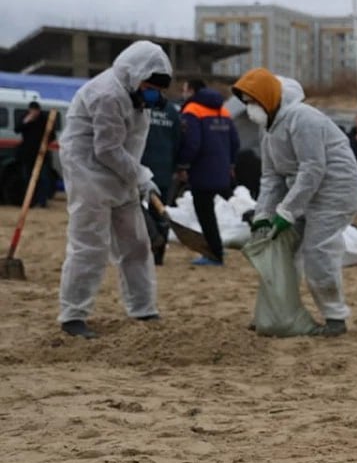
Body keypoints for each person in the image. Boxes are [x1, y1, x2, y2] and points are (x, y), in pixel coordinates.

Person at [57, 40, 173, 340]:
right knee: (90, 245)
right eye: (151, 87)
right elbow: (106, 149)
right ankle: (73, 316)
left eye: (159, 90)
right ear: (136, 75)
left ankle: (143, 308)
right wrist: (141, 176)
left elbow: (130, 145)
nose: (155, 95)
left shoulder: (140, 97)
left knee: (136, 242)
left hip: (123, 173)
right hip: (88, 171)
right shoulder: (107, 94)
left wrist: (139, 178)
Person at [232, 68, 357, 337]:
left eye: (253, 102)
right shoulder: (267, 129)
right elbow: (270, 177)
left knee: (317, 252)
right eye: (246, 104)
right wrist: (263, 216)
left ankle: (335, 318)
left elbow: (313, 168)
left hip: (333, 192)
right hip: (302, 191)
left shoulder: (303, 119)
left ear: (267, 97)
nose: (250, 109)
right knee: (279, 250)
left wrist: (287, 211)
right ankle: (277, 314)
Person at [178, 85, 239, 266]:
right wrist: (231, 164)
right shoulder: (223, 110)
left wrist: (182, 164)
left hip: (201, 171)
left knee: (205, 213)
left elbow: (192, 142)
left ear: (191, 91)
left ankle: (215, 253)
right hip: (222, 170)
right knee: (237, 204)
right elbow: (234, 141)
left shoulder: (192, 110)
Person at [139, 92, 181, 265]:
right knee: (160, 210)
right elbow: (178, 139)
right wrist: (176, 165)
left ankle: (154, 237)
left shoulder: (140, 107)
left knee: (133, 206)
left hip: (142, 167)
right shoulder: (171, 110)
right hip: (164, 167)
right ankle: (159, 255)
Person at [14, 101, 55, 208]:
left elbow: (52, 135)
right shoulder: (25, 117)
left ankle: (42, 202)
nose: (34, 112)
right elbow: (17, 129)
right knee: (27, 178)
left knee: (43, 178)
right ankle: (29, 201)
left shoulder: (45, 119)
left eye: (35, 110)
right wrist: (26, 121)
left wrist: (45, 144)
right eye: (32, 110)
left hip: (41, 154)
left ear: (38, 110)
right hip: (27, 154)